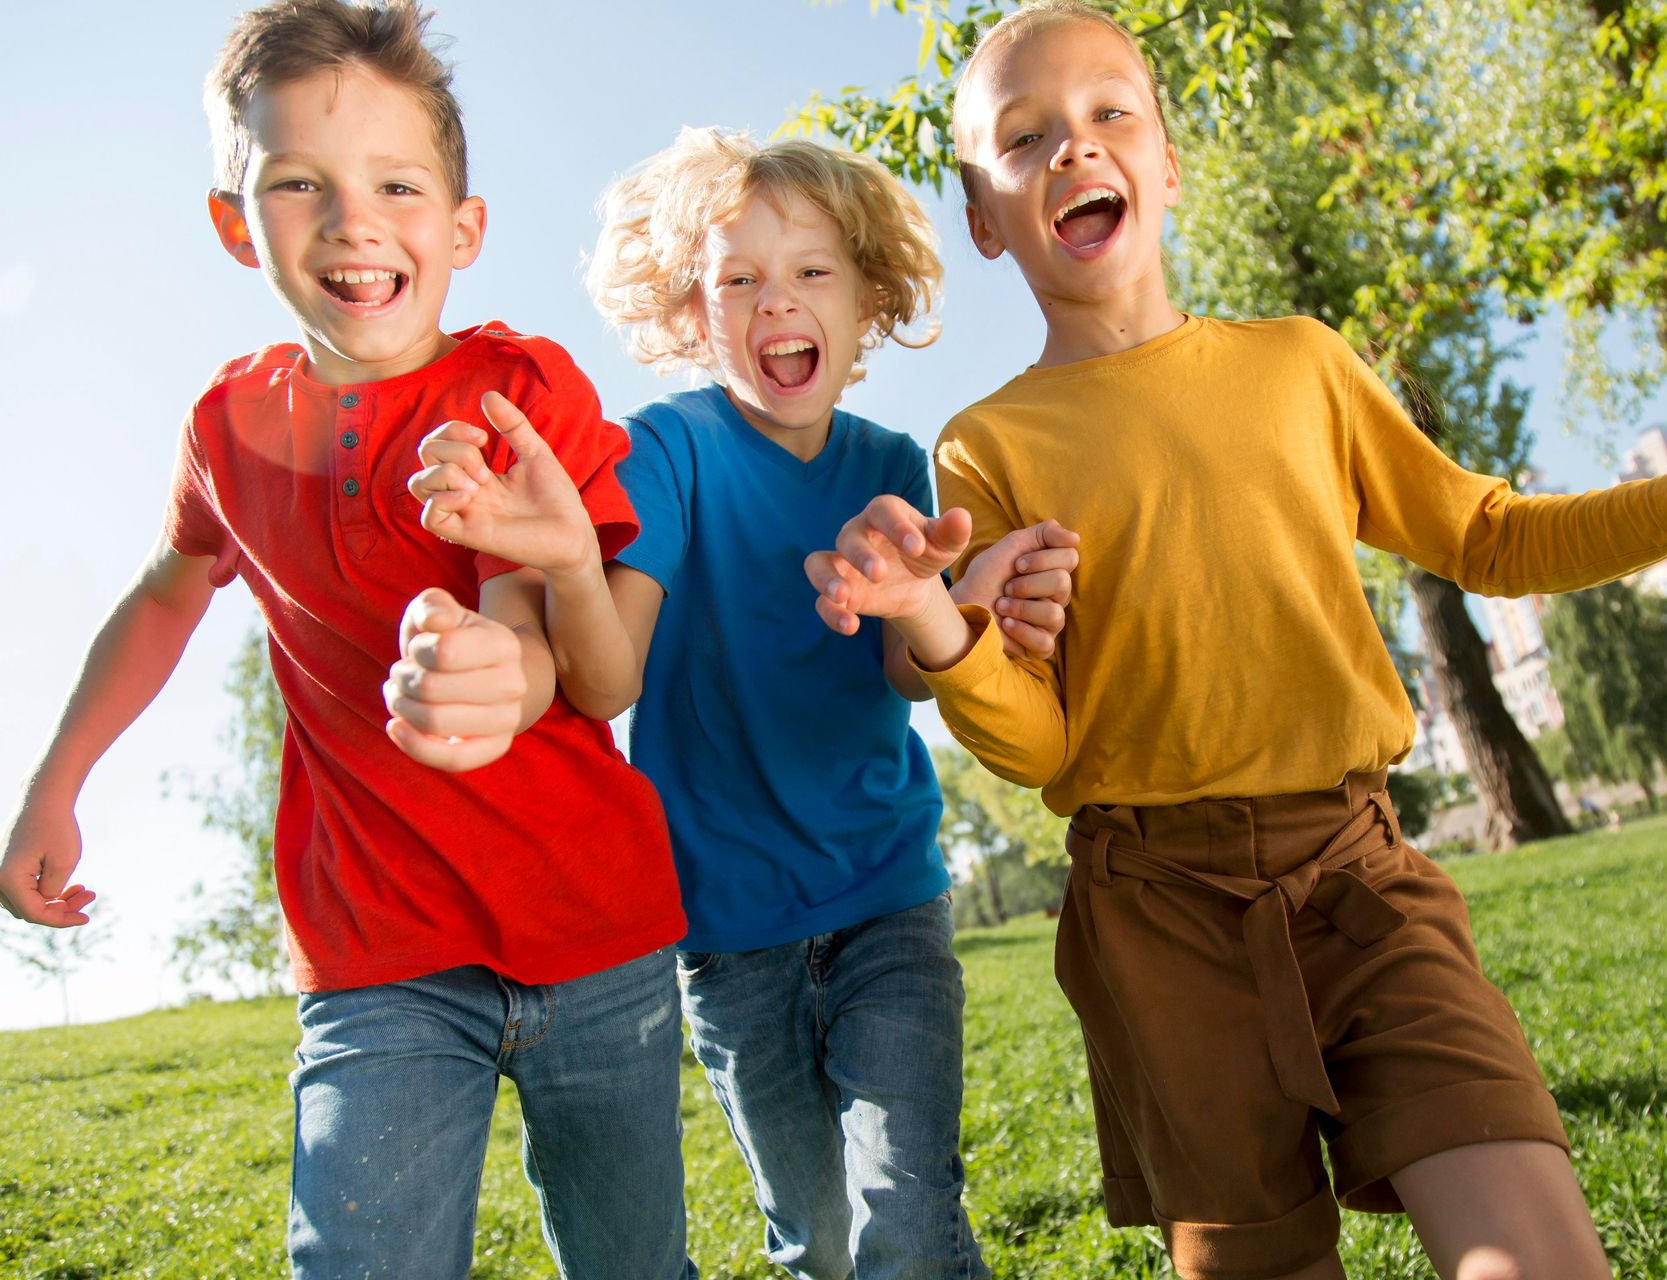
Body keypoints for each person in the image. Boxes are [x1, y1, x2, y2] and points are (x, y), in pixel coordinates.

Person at [804, 3, 1667, 1277]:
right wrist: (939, 623)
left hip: (1360, 876)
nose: (1072, 148)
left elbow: (1490, 537)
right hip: (1153, 923)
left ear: (1165, 164)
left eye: (1110, 114)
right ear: (983, 217)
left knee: (1536, 1254)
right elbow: (1042, 735)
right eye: (1024, 136)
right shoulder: (988, 448)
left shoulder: (1302, 366)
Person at [0, 3, 692, 1276]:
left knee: (634, 1260)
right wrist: (56, 779)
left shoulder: (517, 391)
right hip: (377, 949)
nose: (353, 220)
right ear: (233, 219)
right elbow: (167, 594)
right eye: (298, 183)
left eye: (397, 184)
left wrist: (504, 672)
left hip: (595, 926)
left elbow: (575, 659)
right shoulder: (224, 425)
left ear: (463, 225)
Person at [404, 127, 1076, 1279]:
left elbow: (909, 675)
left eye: (812, 271)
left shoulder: (893, 462)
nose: (778, 303)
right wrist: (568, 564)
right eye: (737, 279)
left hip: (885, 901)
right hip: (726, 934)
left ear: (866, 297)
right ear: (685, 309)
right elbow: (606, 677)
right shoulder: (666, 449)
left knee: (906, 1218)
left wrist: (933, 600)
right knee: (816, 1237)